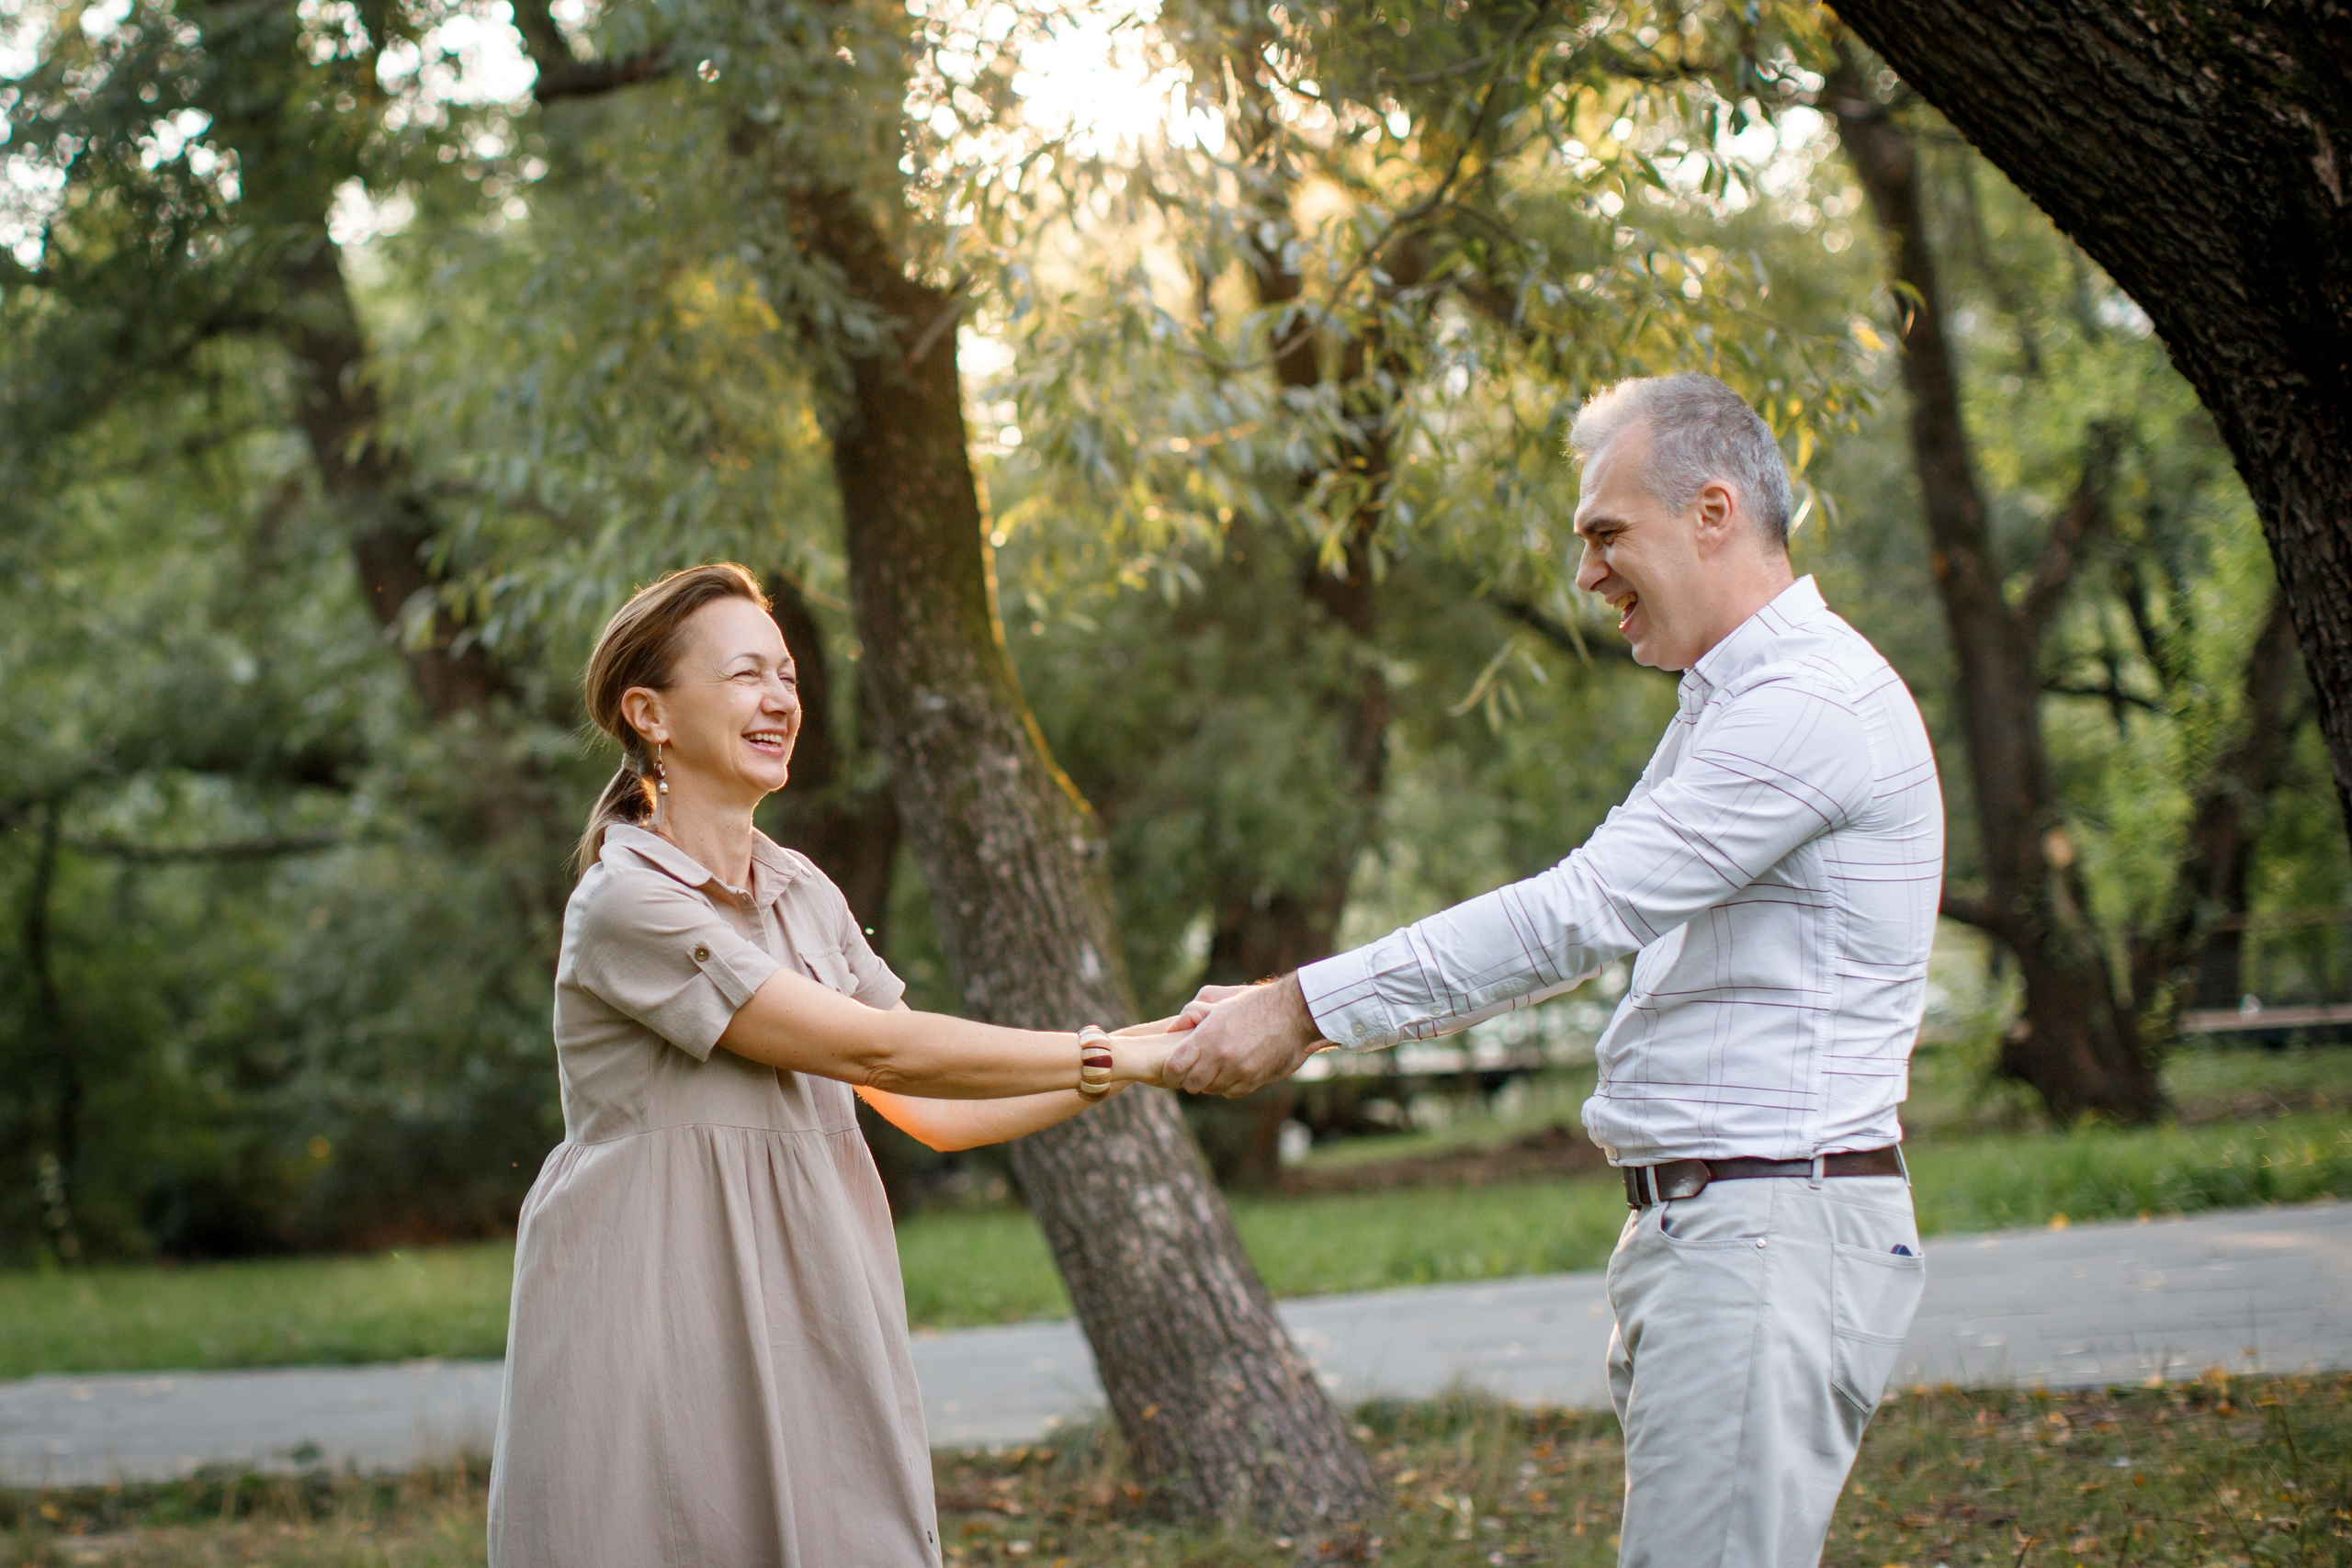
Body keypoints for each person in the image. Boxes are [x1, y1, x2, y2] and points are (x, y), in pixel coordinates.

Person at [1164, 373, 1943, 1567]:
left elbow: (1576, 914)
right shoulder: (1730, 697)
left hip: (1769, 1234)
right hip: (1718, 1228)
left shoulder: (1810, 705)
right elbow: (1588, 921)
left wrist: (1305, 1006)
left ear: (1713, 511)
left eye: (1605, 533)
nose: (1585, 575)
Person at [489, 563, 1176, 1568]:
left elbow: (928, 1109)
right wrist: (1122, 1051)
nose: (779, 700)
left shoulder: (803, 891)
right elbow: (876, 1046)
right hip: (652, 1327)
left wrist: (1147, 1061)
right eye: (744, 676)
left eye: (790, 678)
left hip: (812, 1309)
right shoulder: (625, 900)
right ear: (651, 713)